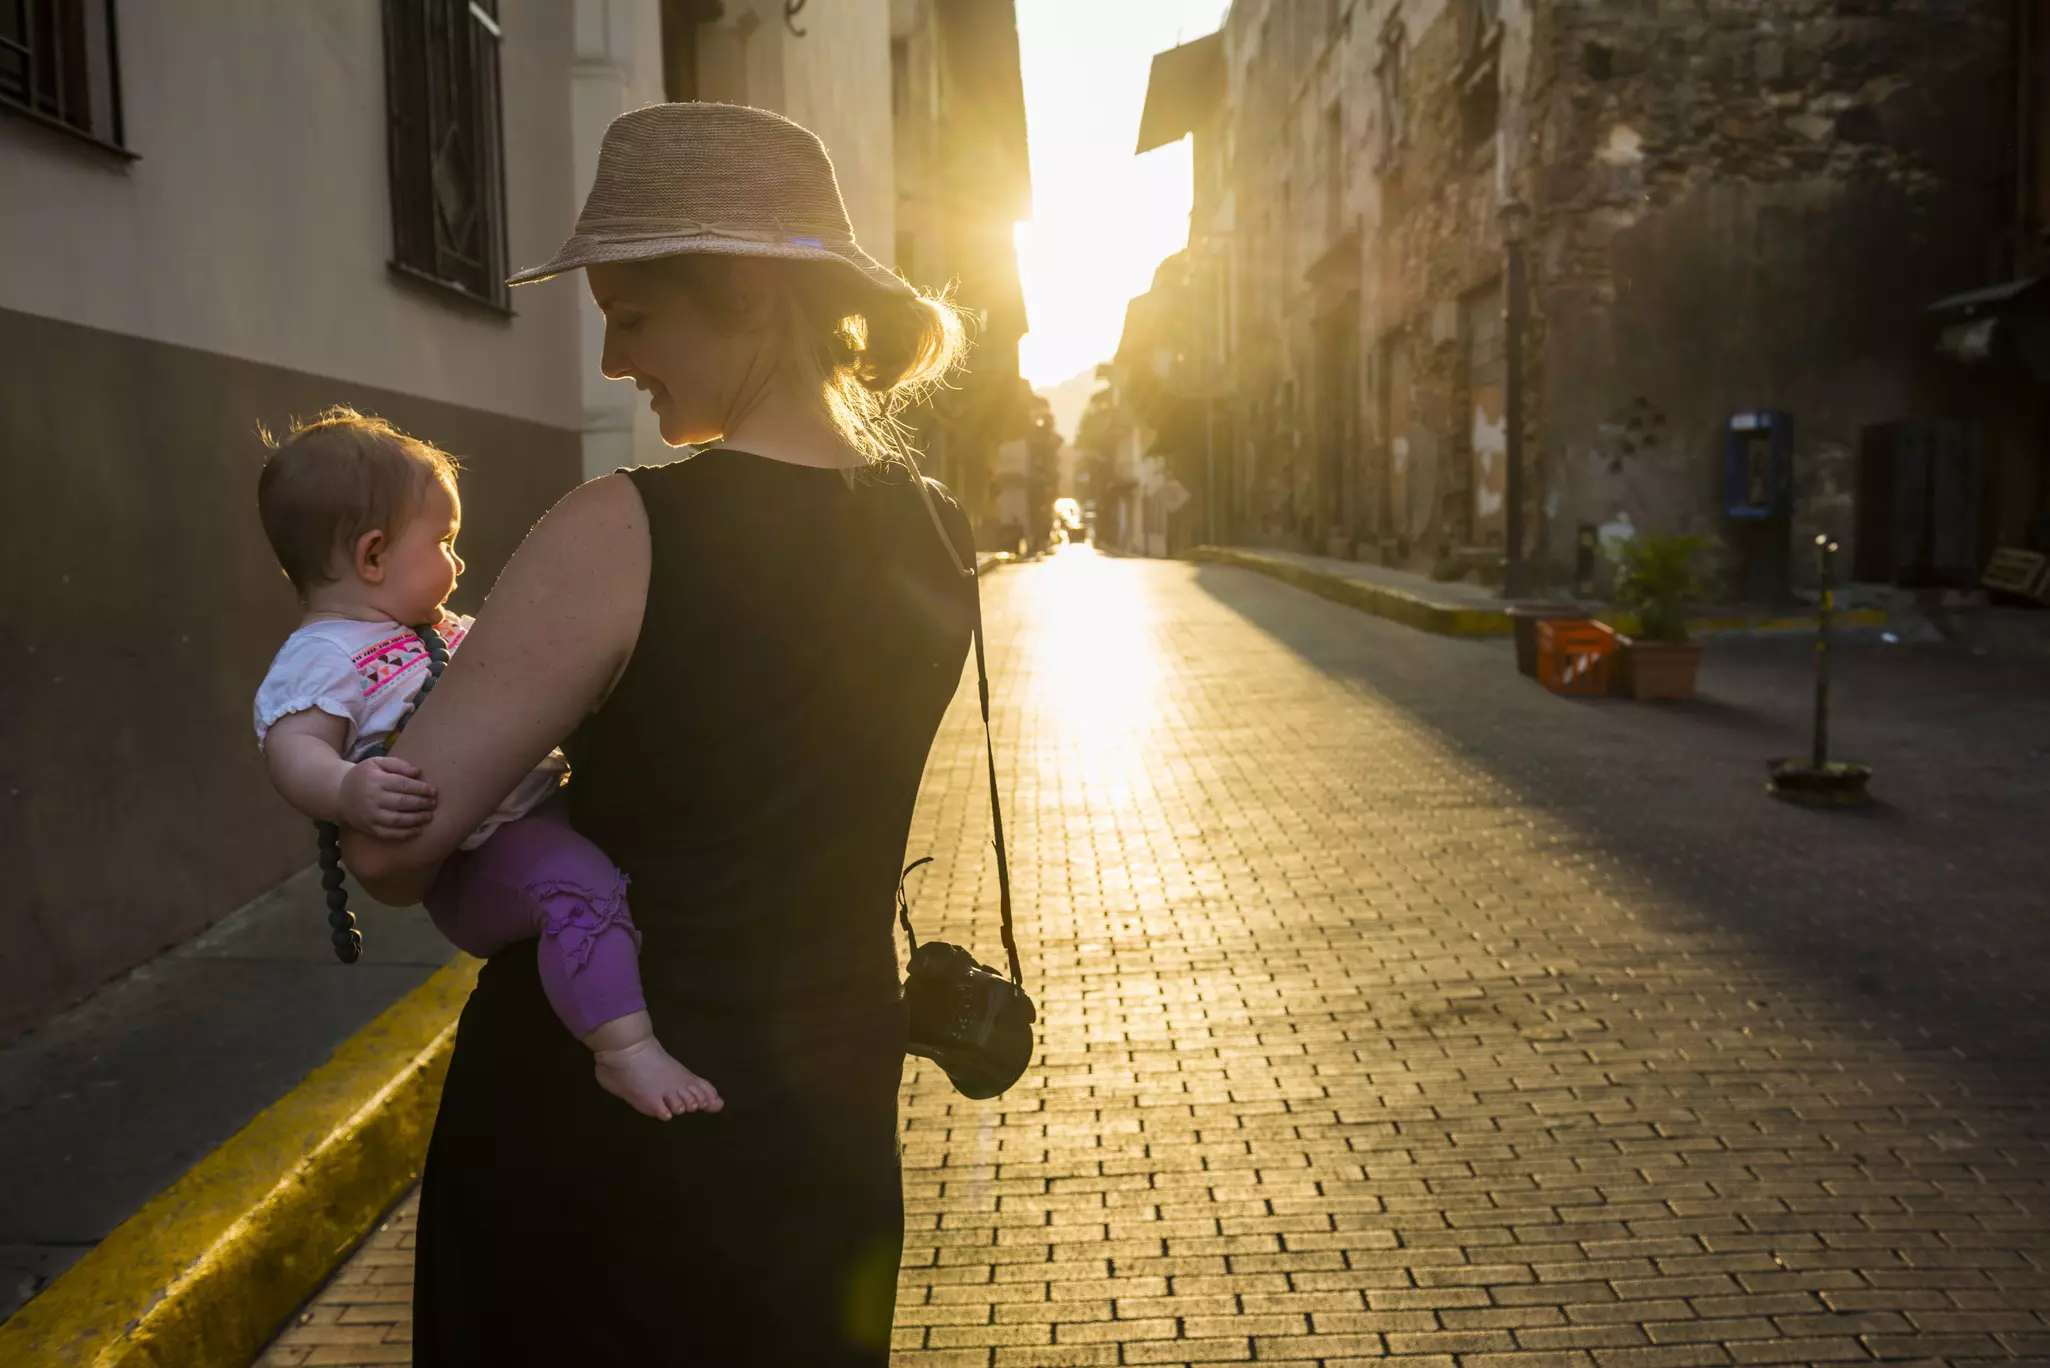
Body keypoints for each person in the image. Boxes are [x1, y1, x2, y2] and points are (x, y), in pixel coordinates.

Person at [339, 102, 977, 1365]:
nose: (616, 359)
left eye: (632, 314)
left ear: (744, 292)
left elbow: (392, 856)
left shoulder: (622, 527)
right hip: (825, 1115)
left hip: (603, 1129)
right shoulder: (939, 530)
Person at [252, 408, 718, 1121]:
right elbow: (292, 749)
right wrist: (347, 788)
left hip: (534, 806)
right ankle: (625, 1052)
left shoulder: (432, 630)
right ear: (373, 557)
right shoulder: (324, 654)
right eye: (444, 542)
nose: (458, 562)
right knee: (577, 886)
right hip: (481, 851)